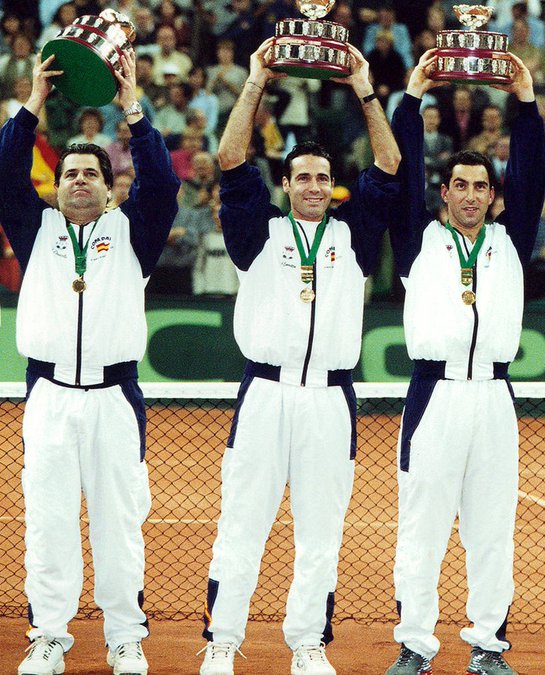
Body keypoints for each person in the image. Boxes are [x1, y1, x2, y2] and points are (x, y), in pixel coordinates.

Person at [198, 38, 400, 675]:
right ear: (284, 185)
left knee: (321, 532)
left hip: (330, 400)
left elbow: (390, 164)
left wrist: (366, 88)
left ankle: (308, 643)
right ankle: (222, 642)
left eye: (323, 177)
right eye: (302, 177)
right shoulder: (258, 231)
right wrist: (255, 80)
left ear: (335, 187)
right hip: (265, 393)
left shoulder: (354, 237)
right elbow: (230, 156)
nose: (313, 186)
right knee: (243, 525)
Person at [0, 50, 179, 675]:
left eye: (90, 174)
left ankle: (125, 637)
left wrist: (133, 106)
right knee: (48, 522)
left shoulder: (136, 234)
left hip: (114, 398)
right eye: (70, 172)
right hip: (48, 396)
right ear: (57, 183)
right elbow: (3, 173)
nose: (78, 181)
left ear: (110, 186)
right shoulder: (34, 229)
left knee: (120, 521)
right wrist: (32, 107)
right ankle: (49, 635)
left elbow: (165, 184)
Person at [384, 49, 545, 675]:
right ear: (444, 192)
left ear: (493, 195)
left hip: (494, 398)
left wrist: (526, 102)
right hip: (435, 396)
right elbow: (400, 172)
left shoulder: (511, 243)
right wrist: (413, 94)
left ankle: (486, 644)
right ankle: (415, 644)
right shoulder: (417, 240)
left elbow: (532, 174)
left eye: (482, 186)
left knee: (491, 527)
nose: (472, 195)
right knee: (421, 526)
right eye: (460, 185)